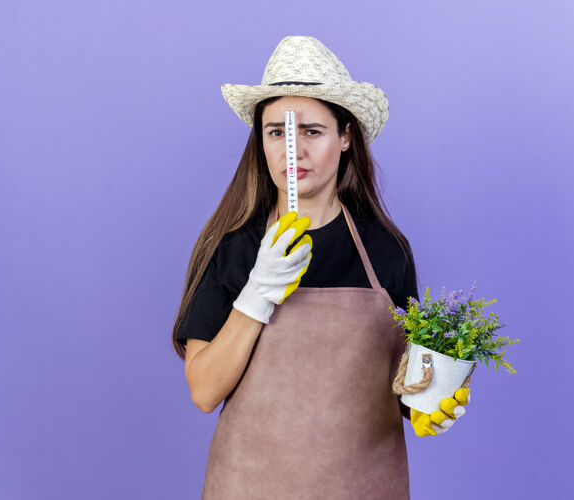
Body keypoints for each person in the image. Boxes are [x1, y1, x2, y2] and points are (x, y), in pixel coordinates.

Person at [171, 35, 471, 499]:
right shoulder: (232, 247)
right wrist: (256, 294)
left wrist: (436, 399)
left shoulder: (386, 251)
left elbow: (410, 397)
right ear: (262, 142)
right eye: (277, 133)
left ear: (346, 136)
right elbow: (204, 391)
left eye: (311, 131)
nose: (293, 152)